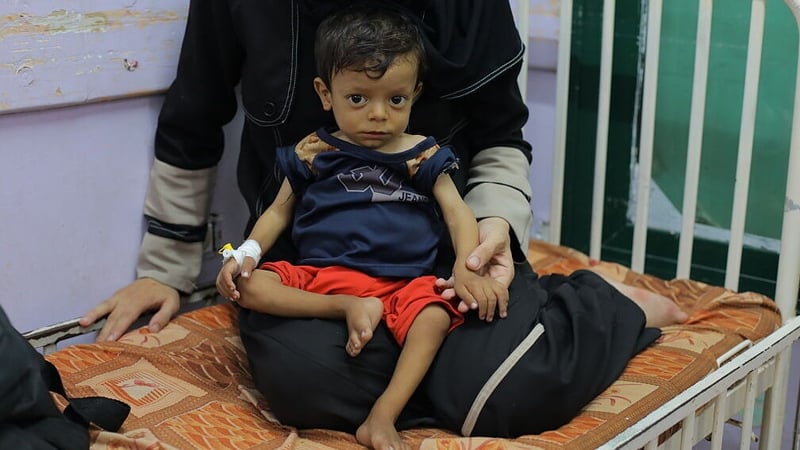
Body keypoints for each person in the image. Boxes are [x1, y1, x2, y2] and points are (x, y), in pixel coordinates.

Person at [80, 0, 688, 445]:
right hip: (315, 273)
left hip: (443, 264)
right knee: (305, 384)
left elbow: (501, 139)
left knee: (509, 393)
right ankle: (436, 377)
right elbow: (194, 116)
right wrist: (166, 270)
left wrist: (490, 236)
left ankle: (593, 304)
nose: (376, 114)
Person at [215, 9, 507, 448]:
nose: (378, 116)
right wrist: (247, 252)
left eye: (396, 100)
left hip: (403, 281)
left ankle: (382, 416)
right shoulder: (314, 152)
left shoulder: (421, 154)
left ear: (415, 94)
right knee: (249, 287)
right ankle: (348, 308)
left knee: (433, 316)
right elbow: (278, 212)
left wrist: (467, 267)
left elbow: (457, 211)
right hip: (322, 276)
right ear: (325, 93)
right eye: (358, 99)